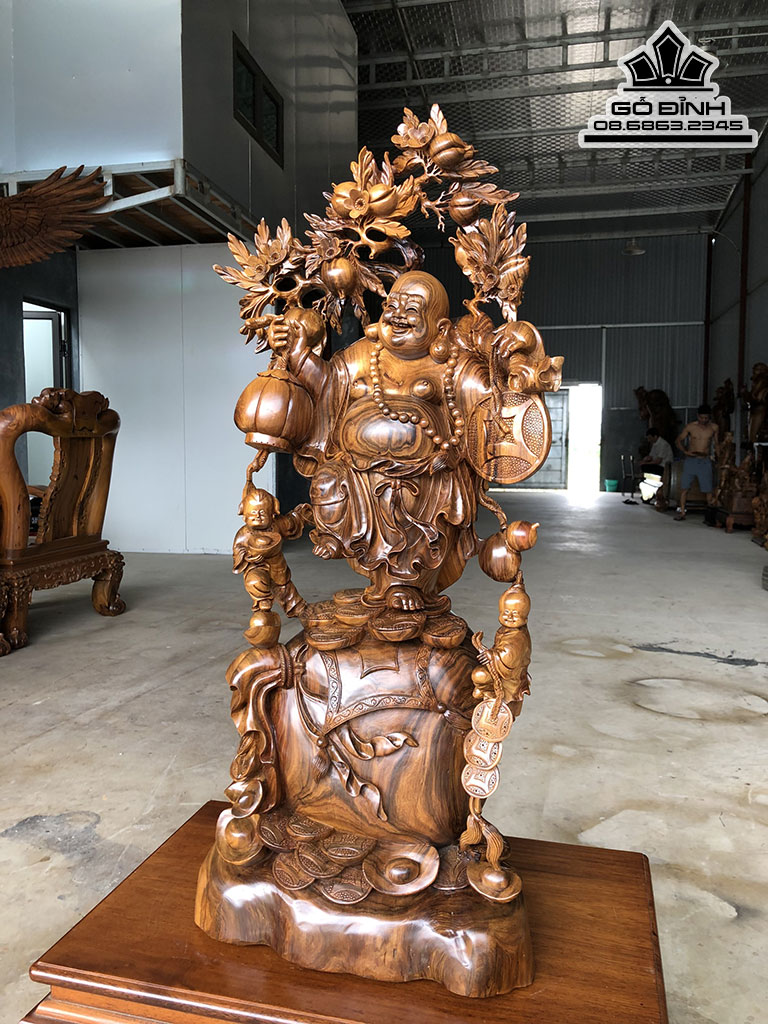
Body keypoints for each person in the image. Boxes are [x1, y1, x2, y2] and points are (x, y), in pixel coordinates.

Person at [266, 271, 516, 612]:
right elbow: (327, 385)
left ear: (441, 328)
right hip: (357, 471)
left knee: (412, 517)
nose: (398, 314)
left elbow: (493, 400)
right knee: (326, 482)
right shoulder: (363, 354)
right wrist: (297, 354)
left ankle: (405, 584)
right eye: (391, 306)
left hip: (425, 476)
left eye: (412, 309)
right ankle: (338, 540)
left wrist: (514, 359)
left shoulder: (454, 364)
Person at [675, 404, 718, 520]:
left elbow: (717, 445)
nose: (704, 420)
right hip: (691, 459)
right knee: (685, 487)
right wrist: (685, 452)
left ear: (709, 417)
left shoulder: (714, 428)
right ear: (698, 416)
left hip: (705, 460)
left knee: (708, 489)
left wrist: (718, 458)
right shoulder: (691, 427)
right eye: (702, 417)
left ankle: (710, 515)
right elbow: (678, 440)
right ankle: (682, 512)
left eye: (706, 418)